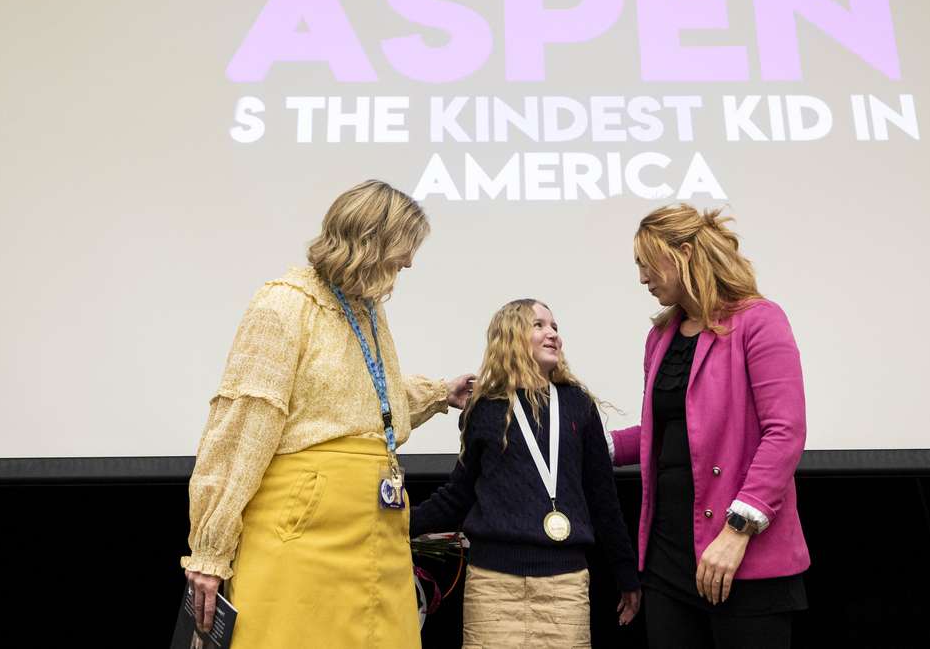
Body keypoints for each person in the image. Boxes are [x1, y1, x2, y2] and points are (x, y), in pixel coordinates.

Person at [180, 180, 475, 648]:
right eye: (404, 247)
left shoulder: (368, 310)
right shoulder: (285, 303)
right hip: (303, 534)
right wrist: (209, 551)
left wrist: (440, 393)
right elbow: (243, 426)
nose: (409, 263)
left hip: (377, 536)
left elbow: (360, 402)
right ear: (371, 240)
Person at [610, 204, 810, 648]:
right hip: (668, 558)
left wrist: (738, 531)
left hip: (744, 556)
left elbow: (785, 431)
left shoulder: (760, 320)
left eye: (647, 263)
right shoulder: (659, 338)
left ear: (683, 253)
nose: (642, 278)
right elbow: (665, 433)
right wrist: (590, 442)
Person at [410, 299, 642, 647]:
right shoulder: (485, 408)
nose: (552, 334)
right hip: (492, 587)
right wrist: (398, 524)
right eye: (539, 325)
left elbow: (603, 500)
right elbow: (458, 496)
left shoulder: (578, 405)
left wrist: (626, 574)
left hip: (565, 587)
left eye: (555, 327)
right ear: (511, 337)